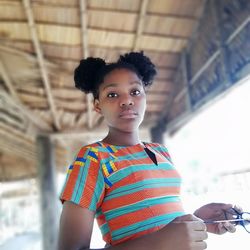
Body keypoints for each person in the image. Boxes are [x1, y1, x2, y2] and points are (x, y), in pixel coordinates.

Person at [58, 52, 238, 250]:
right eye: (112, 94)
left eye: (135, 91)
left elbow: (161, 223)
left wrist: (199, 221)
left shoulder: (160, 152)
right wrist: (159, 243)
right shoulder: (93, 158)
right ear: (98, 106)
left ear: (145, 96)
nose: (126, 100)